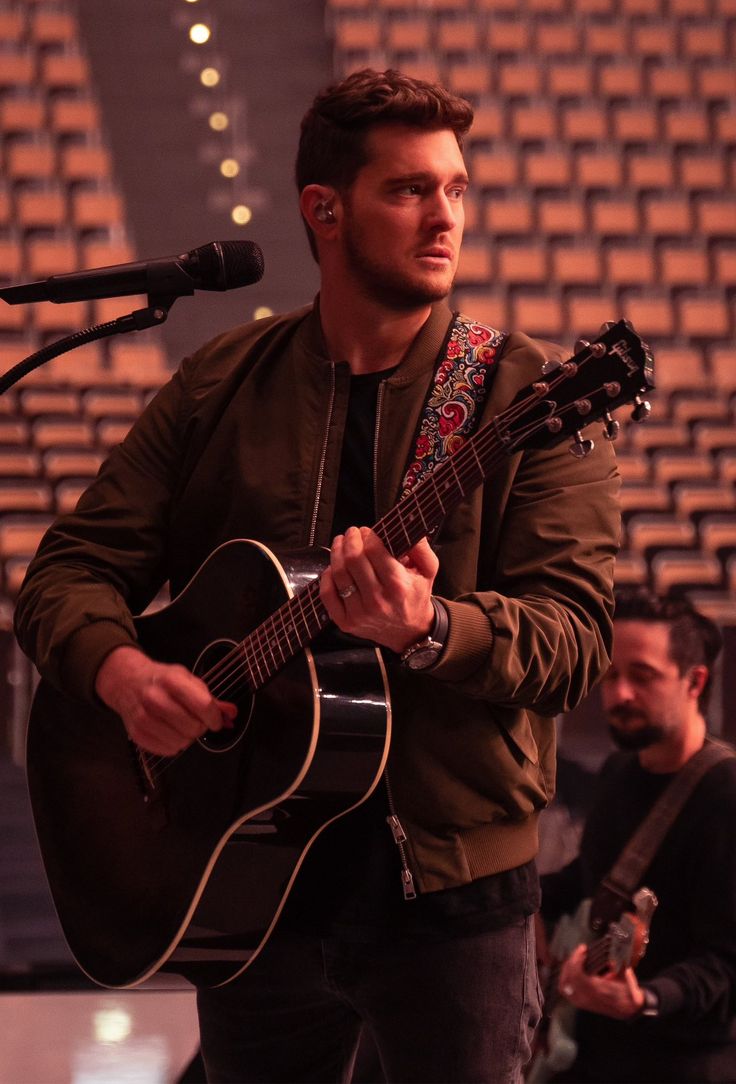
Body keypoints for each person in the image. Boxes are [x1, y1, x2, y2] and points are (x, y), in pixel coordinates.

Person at [14, 68, 620, 1084]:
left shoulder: (526, 395)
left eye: (457, 189)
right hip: (251, 885)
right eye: (409, 189)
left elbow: (572, 641)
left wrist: (431, 627)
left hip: (452, 900)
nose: (444, 217)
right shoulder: (222, 385)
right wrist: (120, 673)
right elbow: (69, 571)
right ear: (323, 211)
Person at [538, 588, 736, 1084]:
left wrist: (645, 999)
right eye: (609, 676)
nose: (618, 694)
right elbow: (590, 877)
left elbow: (727, 962)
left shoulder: (725, 794)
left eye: (641, 676)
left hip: (681, 1062)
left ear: (695, 682)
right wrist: (533, 907)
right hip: (589, 1050)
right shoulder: (619, 770)